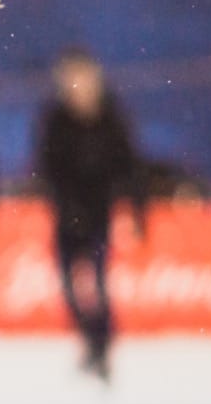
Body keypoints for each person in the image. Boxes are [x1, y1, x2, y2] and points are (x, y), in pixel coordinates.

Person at [35, 51, 145, 380]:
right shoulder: (56, 119)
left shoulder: (110, 118)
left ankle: (102, 344)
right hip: (67, 215)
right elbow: (46, 166)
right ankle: (91, 339)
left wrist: (137, 212)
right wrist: (57, 199)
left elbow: (129, 166)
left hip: (98, 214)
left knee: (97, 281)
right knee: (69, 285)